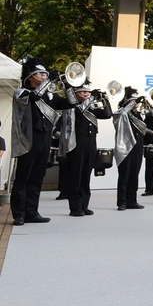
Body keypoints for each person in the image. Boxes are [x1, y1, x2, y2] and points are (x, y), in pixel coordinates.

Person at [10, 59, 75, 225]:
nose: (44, 75)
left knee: (37, 177)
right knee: (23, 177)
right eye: (40, 73)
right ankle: (19, 214)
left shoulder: (49, 95)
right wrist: (47, 81)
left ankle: (32, 212)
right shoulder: (22, 92)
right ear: (30, 77)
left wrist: (68, 85)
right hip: (29, 139)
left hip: (45, 139)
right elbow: (33, 97)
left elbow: (71, 103)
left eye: (45, 73)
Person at [57, 79, 113, 217]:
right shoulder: (72, 106)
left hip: (91, 141)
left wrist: (105, 99)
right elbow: (79, 111)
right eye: (83, 92)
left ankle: (84, 205)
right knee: (76, 174)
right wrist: (92, 97)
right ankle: (75, 207)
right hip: (77, 142)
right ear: (75, 94)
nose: (86, 94)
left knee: (86, 174)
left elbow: (107, 114)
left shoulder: (91, 107)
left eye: (88, 92)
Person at [113, 87, 149, 211]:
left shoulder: (138, 114)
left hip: (138, 146)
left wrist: (146, 104)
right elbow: (123, 113)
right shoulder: (120, 113)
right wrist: (133, 102)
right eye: (132, 101)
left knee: (134, 174)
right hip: (125, 148)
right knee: (124, 175)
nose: (136, 103)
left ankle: (132, 200)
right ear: (126, 102)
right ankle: (122, 202)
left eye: (136, 101)